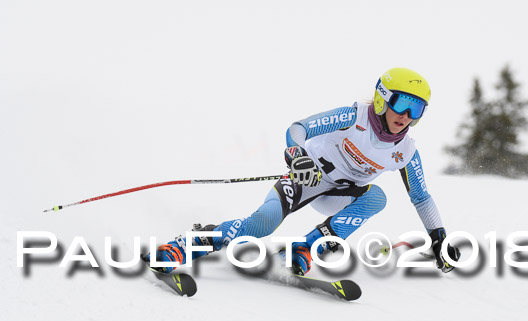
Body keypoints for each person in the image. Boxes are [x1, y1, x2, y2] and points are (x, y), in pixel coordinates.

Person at [147, 67, 460, 276]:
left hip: (339, 195)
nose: (406, 116)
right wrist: (297, 157)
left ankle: (306, 246)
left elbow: (420, 196)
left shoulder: (404, 151)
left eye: (417, 109)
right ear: (382, 98)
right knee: (263, 224)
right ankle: (186, 245)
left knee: (377, 197)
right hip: (305, 178)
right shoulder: (353, 117)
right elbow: (298, 129)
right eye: (403, 103)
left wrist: (439, 237)